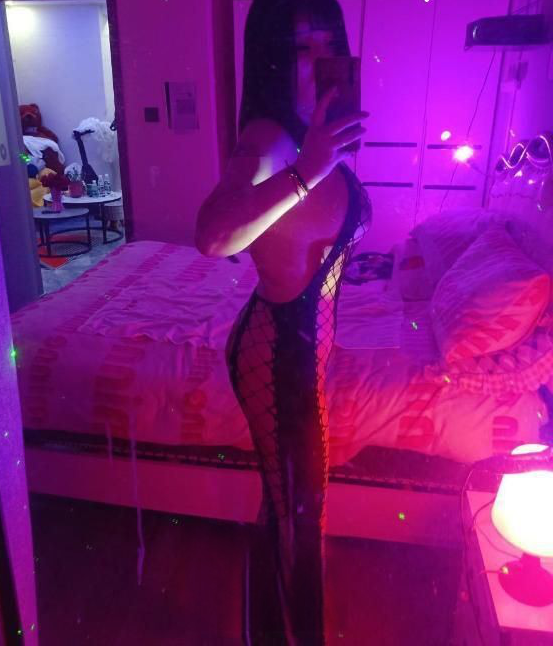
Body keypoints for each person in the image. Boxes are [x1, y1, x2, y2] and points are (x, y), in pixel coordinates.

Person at [195, 0, 371, 643]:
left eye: (328, 42)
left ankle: (265, 629)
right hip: (277, 356)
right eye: (301, 47)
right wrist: (306, 171)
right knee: (303, 519)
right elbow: (213, 237)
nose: (318, 59)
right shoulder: (269, 140)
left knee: (286, 506)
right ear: (271, 56)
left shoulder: (309, 131)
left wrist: (318, 158)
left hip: (300, 350)